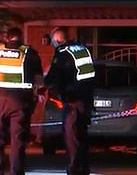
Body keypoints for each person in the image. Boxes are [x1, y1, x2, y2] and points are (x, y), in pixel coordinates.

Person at [0, 27, 44, 175]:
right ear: (21, 38)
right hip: (21, 102)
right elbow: (39, 80)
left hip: (0, 101)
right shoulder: (30, 53)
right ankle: (16, 172)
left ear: (7, 38)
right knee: (18, 140)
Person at [44, 27, 96, 175]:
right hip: (86, 99)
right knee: (82, 135)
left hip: (73, 100)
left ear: (57, 40)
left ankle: (75, 168)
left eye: (54, 42)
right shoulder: (83, 49)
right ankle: (84, 168)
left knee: (72, 137)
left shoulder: (62, 52)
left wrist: (44, 84)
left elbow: (54, 76)